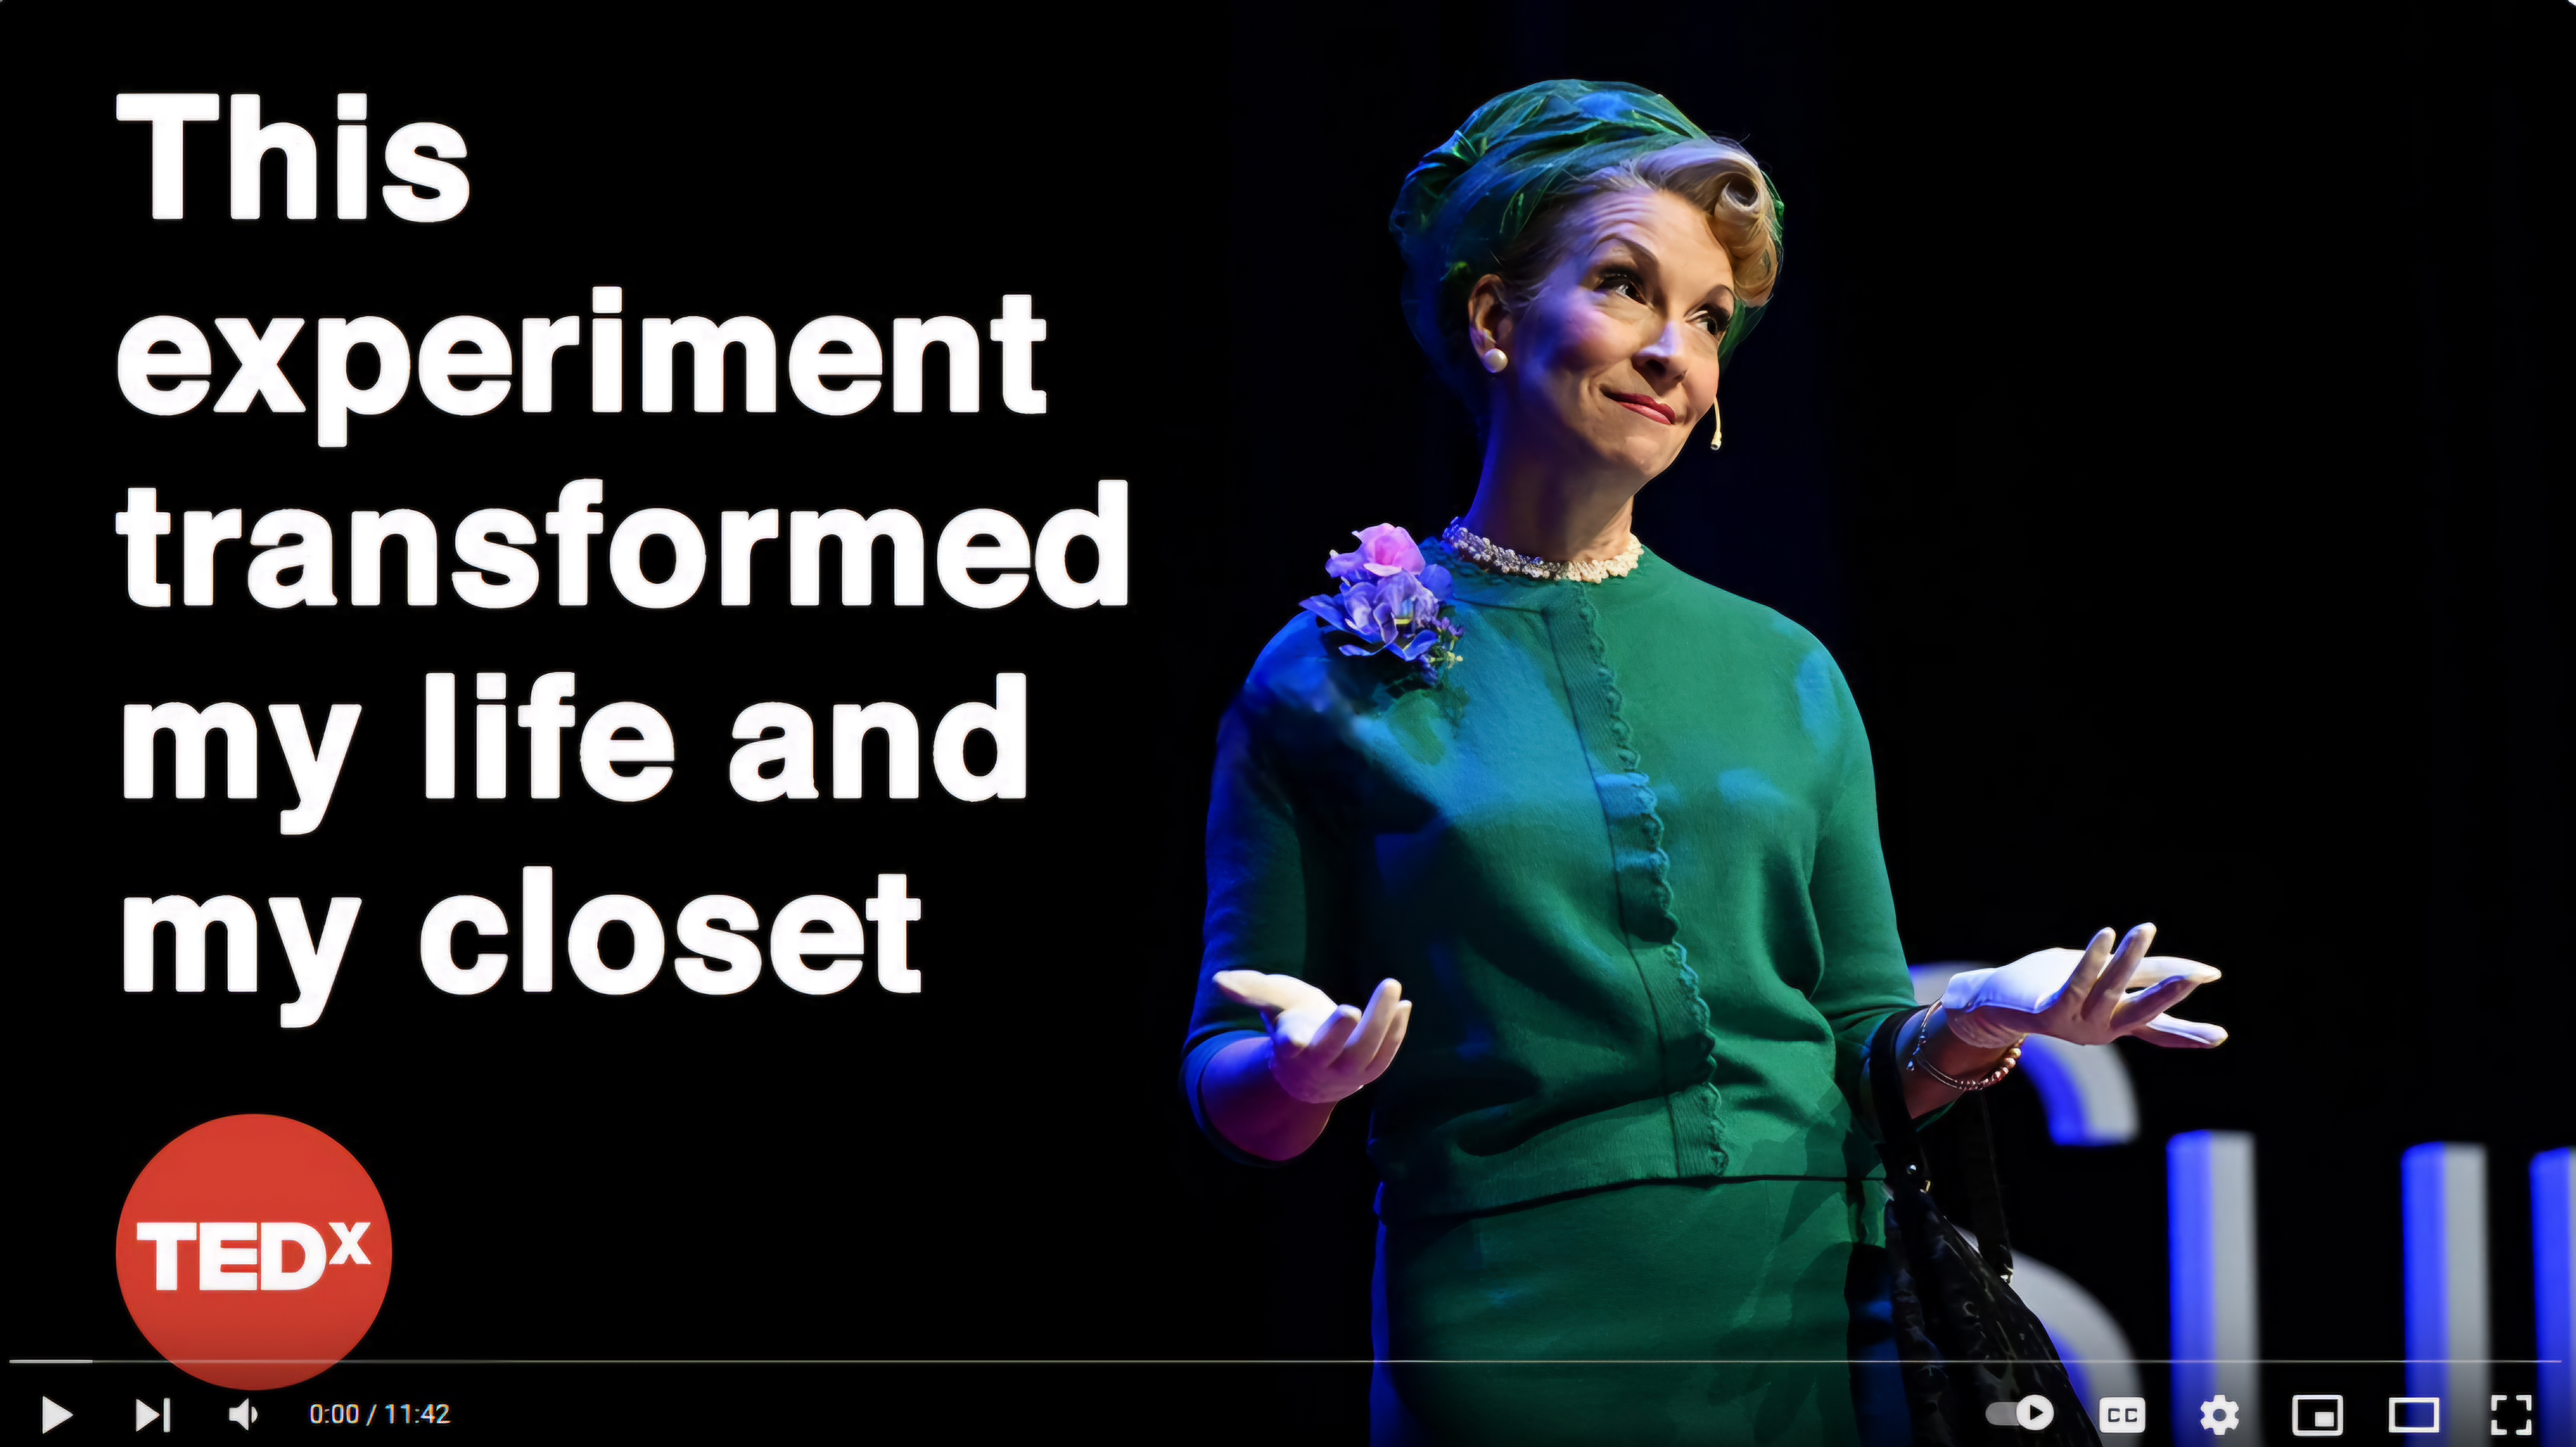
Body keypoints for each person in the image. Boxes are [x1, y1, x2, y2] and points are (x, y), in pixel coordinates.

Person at [1180, 79, 2227, 1445]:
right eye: (1623, 287)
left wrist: (1976, 1023)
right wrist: (1298, 1073)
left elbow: (1866, 1045)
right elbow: (1229, 1090)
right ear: (1494, 319)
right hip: (1512, 1323)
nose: (1673, 349)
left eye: (1710, 318)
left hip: (1811, 1302)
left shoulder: (1783, 665)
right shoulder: (1324, 670)